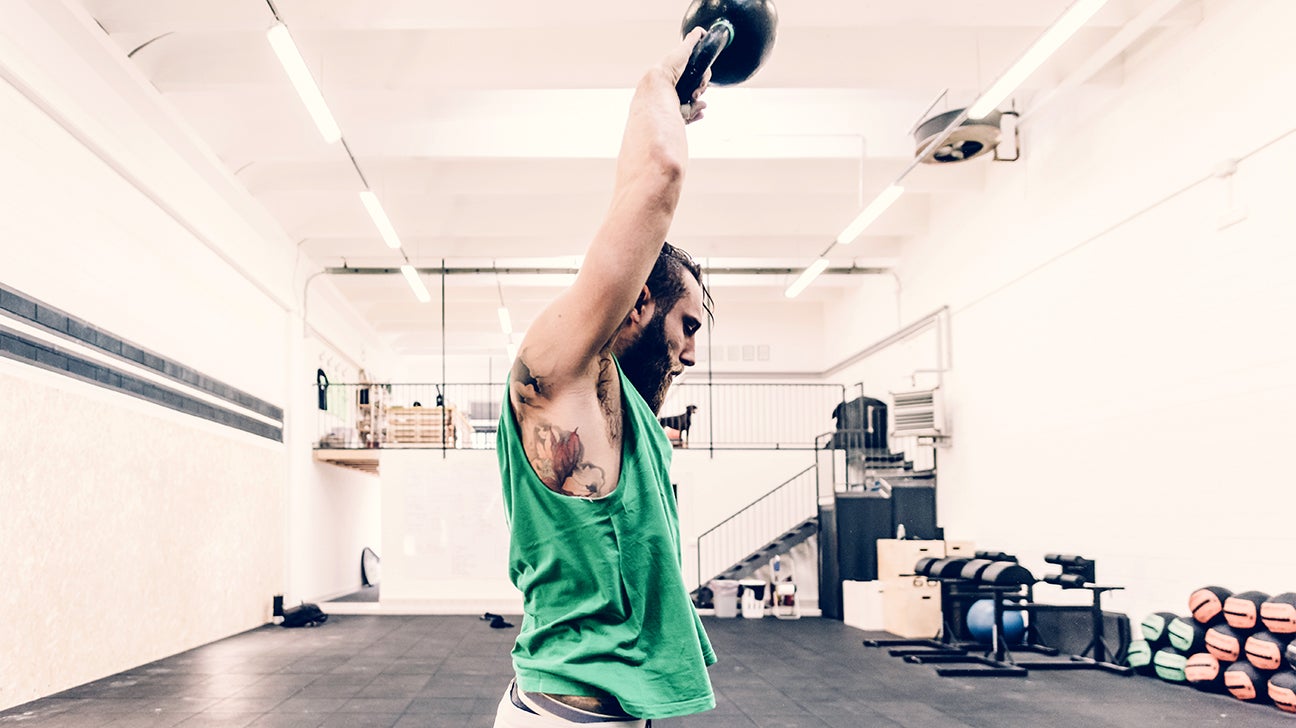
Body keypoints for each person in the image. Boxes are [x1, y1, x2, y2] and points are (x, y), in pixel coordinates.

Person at [494, 28, 717, 728]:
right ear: (639, 305)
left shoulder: (627, 415)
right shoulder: (556, 375)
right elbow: (656, 179)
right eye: (687, 326)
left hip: (600, 712)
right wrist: (661, 82)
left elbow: (633, 197)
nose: (690, 353)